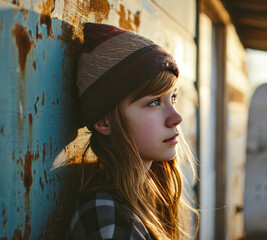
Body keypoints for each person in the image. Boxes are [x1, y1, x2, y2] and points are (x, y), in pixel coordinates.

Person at [58, 23, 198, 240]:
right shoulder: (109, 220)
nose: (176, 118)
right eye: (154, 102)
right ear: (104, 122)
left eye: (173, 98)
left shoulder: (148, 198)